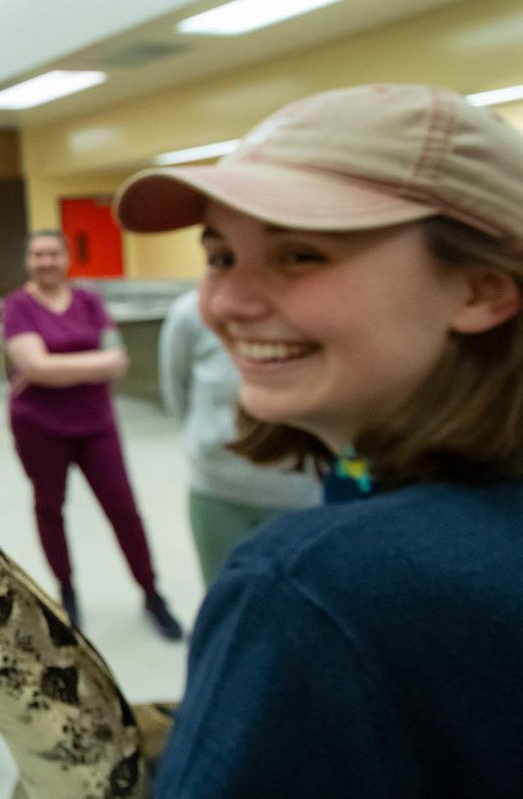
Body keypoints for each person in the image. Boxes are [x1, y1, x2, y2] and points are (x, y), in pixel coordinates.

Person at [115, 83, 523, 797]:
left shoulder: (313, 586)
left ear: (481, 290)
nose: (227, 304)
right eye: (219, 257)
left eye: (300, 255)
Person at [0, 230, 183, 640]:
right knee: (50, 507)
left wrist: (54, 368)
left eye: (53, 253)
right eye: (38, 254)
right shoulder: (17, 306)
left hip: (97, 423)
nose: (46, 261)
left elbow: (117, 361)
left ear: (66, 258)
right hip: (40, 427)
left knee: (124, 509)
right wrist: (87, 365)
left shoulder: (89, 301)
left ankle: (151, 592)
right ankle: (66, 591)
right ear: (29, 261)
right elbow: (37, 367)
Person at [159, 287, 321, 584]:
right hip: (215, 487)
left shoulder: (315, 311)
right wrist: (208, 439)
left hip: (299, 491)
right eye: (221, 259)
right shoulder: (189, 313)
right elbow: (177, 396)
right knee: (224, 592)